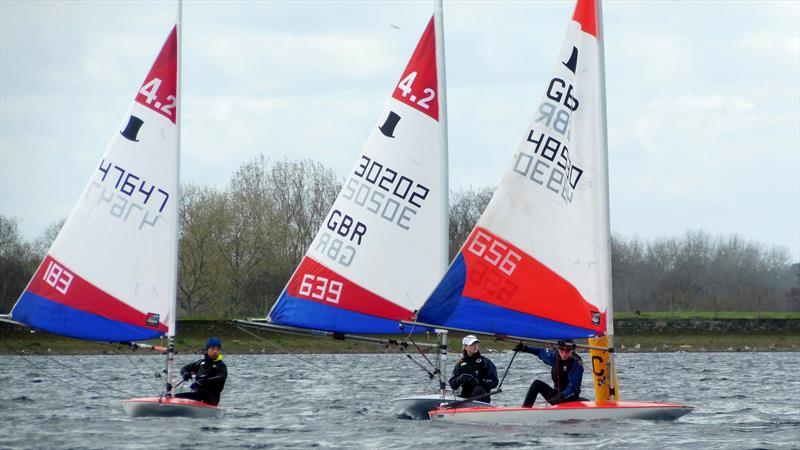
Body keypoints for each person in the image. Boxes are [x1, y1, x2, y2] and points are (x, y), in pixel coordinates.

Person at [515, 339, 584, 407]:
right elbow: (540, 351)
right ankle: (525, 410)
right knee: (537, 384)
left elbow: (574, 388)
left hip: (570, 396)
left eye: (567, 351)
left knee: (563, 395)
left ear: (572, 350)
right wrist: (525, 348)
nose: (564, 354)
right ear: (558, 349)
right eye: (561, 350)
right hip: (556, 394)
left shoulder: (576, 363)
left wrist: (560, 397)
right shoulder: (554, 356)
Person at [176, 337, 228, 405]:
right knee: (175, 397)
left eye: (218, 349)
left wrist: (202, 381)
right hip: (197, 395)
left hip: (211, 398)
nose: (215, 351)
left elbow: (221, 377)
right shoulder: (200, 363)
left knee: (186, 397)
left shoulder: (221, 365)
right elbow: (184, 368)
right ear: (207, 350)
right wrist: (185, 374)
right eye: (212, 349)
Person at [448, 335, 499, 402]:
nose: (475, 346)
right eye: (472, 344)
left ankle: (468, 405)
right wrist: (460, 379)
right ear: (465, 347)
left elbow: (494, 382)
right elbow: (453, 385)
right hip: (465, 398)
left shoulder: (485, 361)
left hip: (482, 400)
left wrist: (479, 381)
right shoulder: (460, 363)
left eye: (476, 344)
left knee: (478, 389)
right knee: (456, 396)